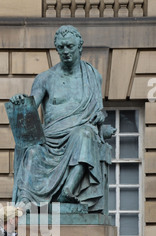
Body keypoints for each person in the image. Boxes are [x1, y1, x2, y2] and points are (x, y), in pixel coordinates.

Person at [11, 25, 114, 213]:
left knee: (85, 133)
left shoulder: (93, 76)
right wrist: (21, 102)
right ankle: (25, 201)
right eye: (61, 47)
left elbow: (99, 110)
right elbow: (31, 108)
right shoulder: (45, 78)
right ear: (57, 48)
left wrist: (100, 117)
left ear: (79, 47)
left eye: (70, 46)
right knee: (33, 152)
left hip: (78, 135)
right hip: (50, 138)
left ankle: (69, 189)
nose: (65, 51)